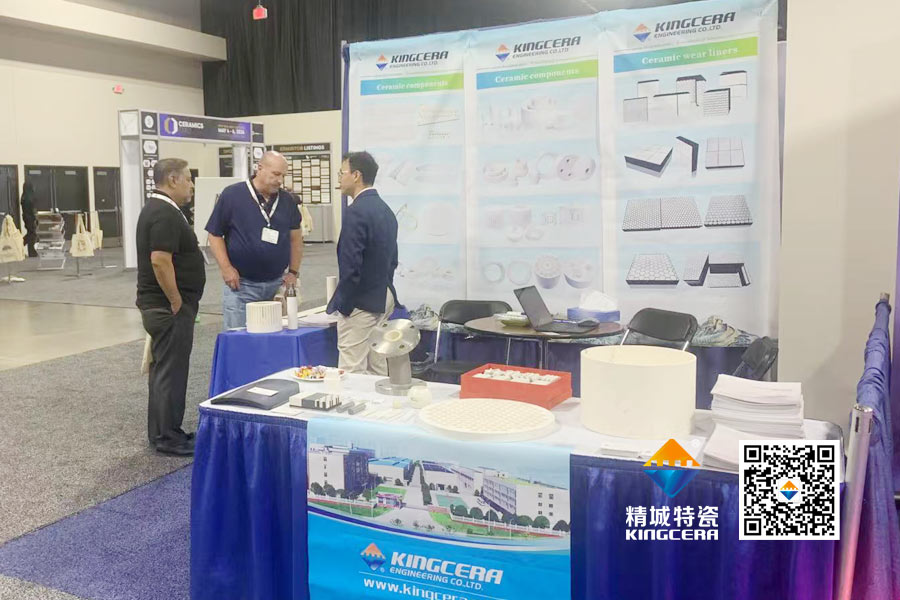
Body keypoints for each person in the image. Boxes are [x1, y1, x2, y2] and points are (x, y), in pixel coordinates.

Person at [135, 158, 205, 456]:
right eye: (188, 179)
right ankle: (167, 436)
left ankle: (163, 431)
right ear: (173, 180)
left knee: (165, 370)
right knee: (170, 373)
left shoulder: (162, 210)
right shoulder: (164, 213)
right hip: (168, 308)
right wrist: (176, 299)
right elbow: (160, 261)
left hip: (164, 306)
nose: (191, 185)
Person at [205, 151, 303, 329]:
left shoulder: (287, 201)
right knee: (238, 338)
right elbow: (214, 234)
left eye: (283, 175)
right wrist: (226, 268)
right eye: (276, 174)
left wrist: (293, 272)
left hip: (276, 284)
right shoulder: (233, 195)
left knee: (273, 338)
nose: (280, 180)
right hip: (241, 286)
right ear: (260, 168)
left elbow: (295, 239)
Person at [327, 151, 399, 374]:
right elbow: (393, 260)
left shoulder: (356, 212)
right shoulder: (386, 210)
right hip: (383, 295)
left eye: (342, 173)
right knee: (377, 366)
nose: (340, 178)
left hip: (361, 300)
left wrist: (345, 304)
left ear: (356, 175)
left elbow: (351, 266)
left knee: (351, 369)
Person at [20, 181, 38, 257]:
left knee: (31, 233)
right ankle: (20, 244)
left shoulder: (24, 196)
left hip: (26, 217)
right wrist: (35, 217)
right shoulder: (29, 197)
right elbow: (32, 209)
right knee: (32, 234)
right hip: (30, 217)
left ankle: (31, 250)